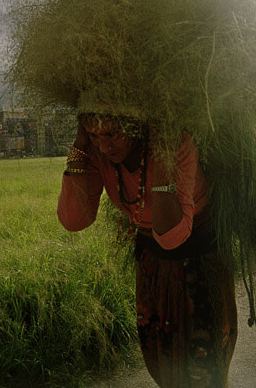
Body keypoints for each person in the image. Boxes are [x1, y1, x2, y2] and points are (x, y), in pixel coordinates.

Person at [57, 113, 236, 388]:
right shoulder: (96, 151)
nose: (104, 146)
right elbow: (74, 219)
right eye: (94, 135)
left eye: (112, 134)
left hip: (200, 264)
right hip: (152, 264)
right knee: (160, 360)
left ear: (136, 126)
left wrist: (162, 156)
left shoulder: (174, 142)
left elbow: (172, 235)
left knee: (205, 365)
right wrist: (81, 146)